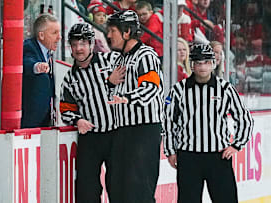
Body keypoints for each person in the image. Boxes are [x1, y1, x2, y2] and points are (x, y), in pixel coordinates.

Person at [163, 43, 254, 203]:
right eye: (198, 62)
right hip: (188, 156)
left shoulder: (225, 89)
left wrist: (236, 145)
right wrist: (170, 151)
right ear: (191, 65)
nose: (202, 67)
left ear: (213, 63)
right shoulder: (178, 90)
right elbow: (169, 122)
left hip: (218, 157)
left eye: (206, 62)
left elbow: (244, 118)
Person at [59, 23, 124, 202]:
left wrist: (112, 84)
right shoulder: (70, 78)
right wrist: (77, 120)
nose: (78, 48)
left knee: (118, 185)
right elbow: (65, 108)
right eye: (74, 44)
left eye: (82, 43)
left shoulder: (111, 61)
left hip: (116, 134)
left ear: (91, 44)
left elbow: (132, 85)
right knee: (86, 189)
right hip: (91, 137)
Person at [105, 10, 164, 203]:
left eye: (112, 30)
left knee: (138, 189)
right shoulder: (120, 58)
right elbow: (109, 93)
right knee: (117, 187)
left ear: (127, 32)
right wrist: (110, 84)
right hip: (122, 131)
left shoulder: (146, 55)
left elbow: (151, 88)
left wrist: (127, 98)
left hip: (144, 131)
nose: (108, 35)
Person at [21, 14, 61, 128]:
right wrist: (36, 66)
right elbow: (26, 62)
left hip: (44, 121)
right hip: (30, 122)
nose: (59, 37)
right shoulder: (29, 47)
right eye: (54, 33)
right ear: (41, 35)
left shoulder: (48, 52)